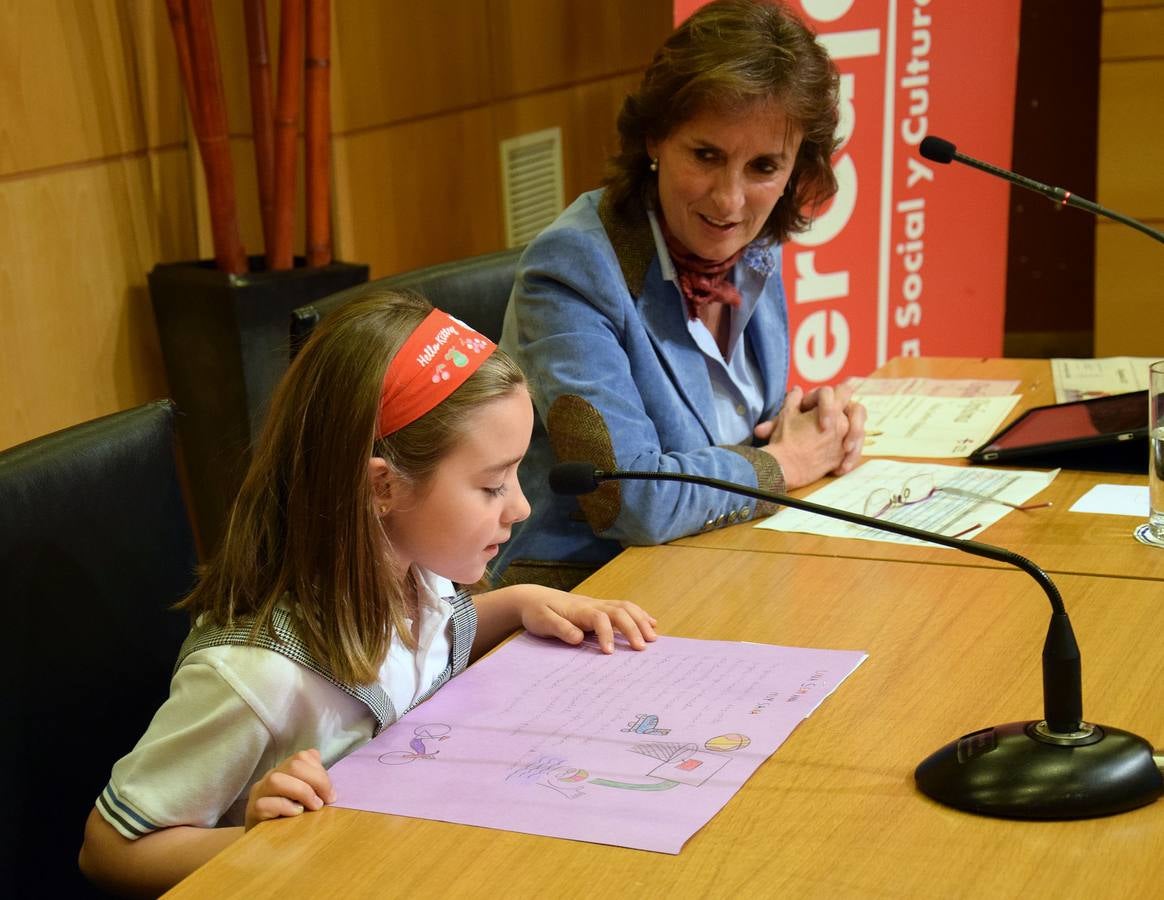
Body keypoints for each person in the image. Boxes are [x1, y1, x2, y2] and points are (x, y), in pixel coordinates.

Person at [77, 290, 656, 897]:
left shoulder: (416, 575)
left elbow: (414, 651)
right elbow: (108, 849)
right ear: (383, 487)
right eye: (492, 485)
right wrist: (251, 841)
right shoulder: (256, 678)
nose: (522, 505)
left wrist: (516, 604)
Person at [494, 0, 866, 588]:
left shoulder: (755, 244)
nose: (730, 201)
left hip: (723, 562)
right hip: (591, 591)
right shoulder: (573, 270)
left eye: (764, 166)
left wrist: (809, 423)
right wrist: (785, 463)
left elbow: (734, 425)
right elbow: (628, 500)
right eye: (706, 156)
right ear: (655, 138)